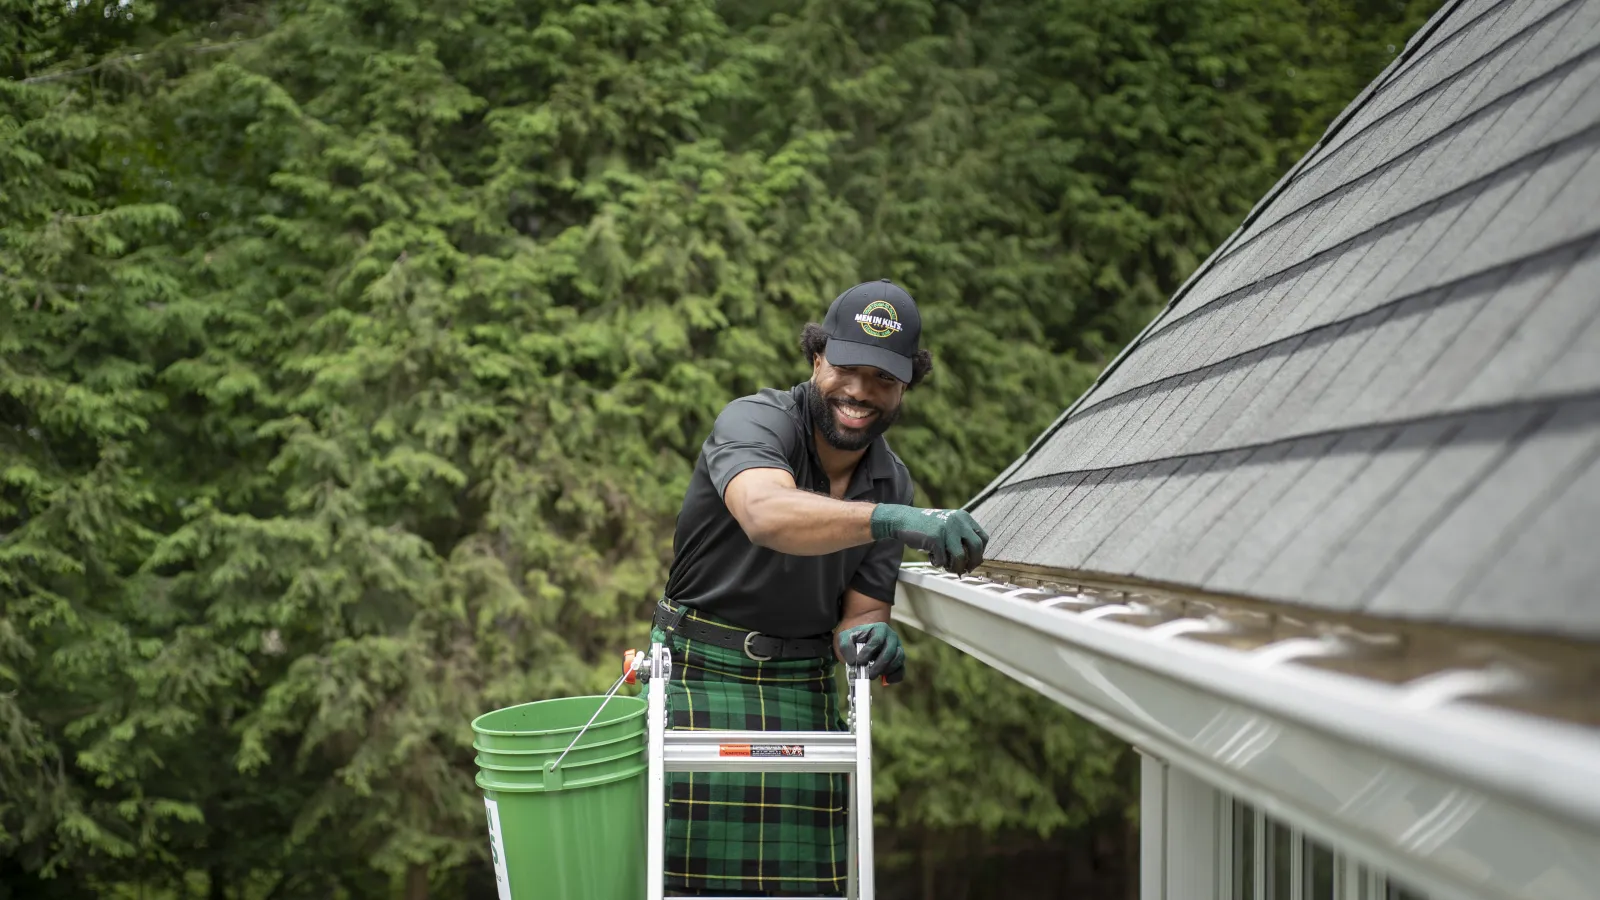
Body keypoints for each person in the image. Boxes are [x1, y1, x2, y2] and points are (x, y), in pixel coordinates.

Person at [649, 278, 990, 897]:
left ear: (905, 388)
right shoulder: (755, 421)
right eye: (847, 368)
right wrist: (892, 521)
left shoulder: (892, 483)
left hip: (801, 689)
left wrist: (871, 640)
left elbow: (859, 617)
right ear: (816, 361)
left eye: (883, 379)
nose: (860, 391)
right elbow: (766, 515)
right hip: (698, 675)